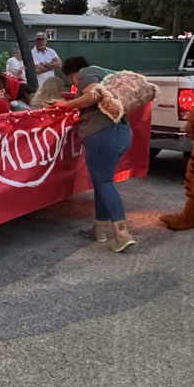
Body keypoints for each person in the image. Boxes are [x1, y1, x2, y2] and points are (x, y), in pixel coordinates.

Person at [60, 56, 135, 253]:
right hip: (122, 133)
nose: (74, 84)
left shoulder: (86, 73)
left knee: (103, 182)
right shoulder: (105, 73)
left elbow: (93, 94)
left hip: (101, 135)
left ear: (73, 74)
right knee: (103, 181)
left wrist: (68, 105)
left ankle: (122, 234)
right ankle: (99, 230)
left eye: (71, 81)